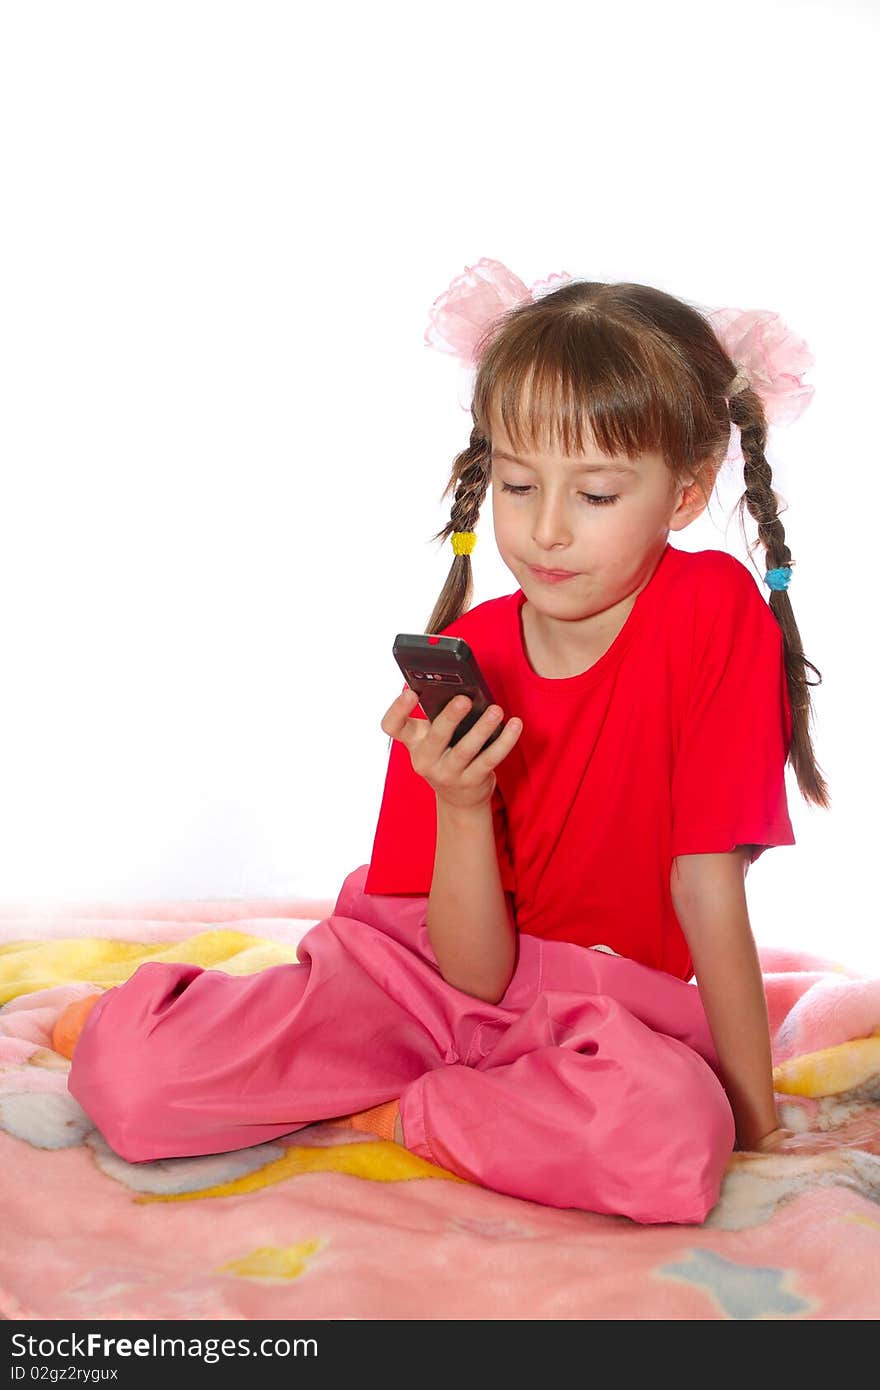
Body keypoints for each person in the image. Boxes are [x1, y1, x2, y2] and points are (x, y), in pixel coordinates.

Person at [61, 262, 830, 1225]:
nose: (546, 531)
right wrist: (464, 804)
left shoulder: (712, 609)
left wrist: (754, 1122)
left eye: (594, 495)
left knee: (665, 1149)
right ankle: (213, 1028)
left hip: (604, 1005)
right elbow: (467, 973)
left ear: (685, 495)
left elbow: (703, 879)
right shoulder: (463, 662)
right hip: (416, 975)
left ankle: (407, 1110)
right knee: (133, 1086)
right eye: (517, 484)